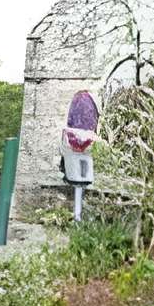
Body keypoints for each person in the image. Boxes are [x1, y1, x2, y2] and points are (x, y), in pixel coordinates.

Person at [62, 87, 100, 222]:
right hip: (85, 148)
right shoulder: (89, 101)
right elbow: (92, 123)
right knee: (81, 181)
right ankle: (78, 216)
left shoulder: (78, 101)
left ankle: (78, 215)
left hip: (75, 148)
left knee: (79, 182)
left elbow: (71, 122)